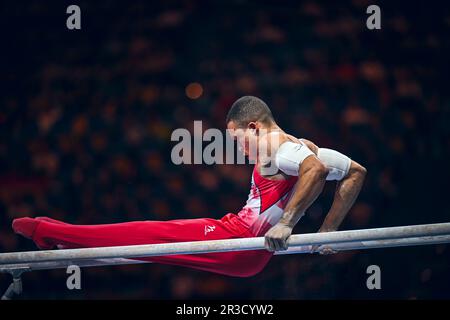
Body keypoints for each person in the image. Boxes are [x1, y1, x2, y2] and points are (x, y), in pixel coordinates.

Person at [12, 96, 366, 277]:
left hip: (238, 241)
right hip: (249, 251)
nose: (240, 149)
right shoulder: (304, 144)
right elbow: (355, 172)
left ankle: (49, 230)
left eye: (239, 139)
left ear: (255, 127)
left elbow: (314, 170)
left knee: (148, 233)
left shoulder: (279, 148)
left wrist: (288, 222)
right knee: (145, 245)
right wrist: (328, 231)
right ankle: (60, 239)